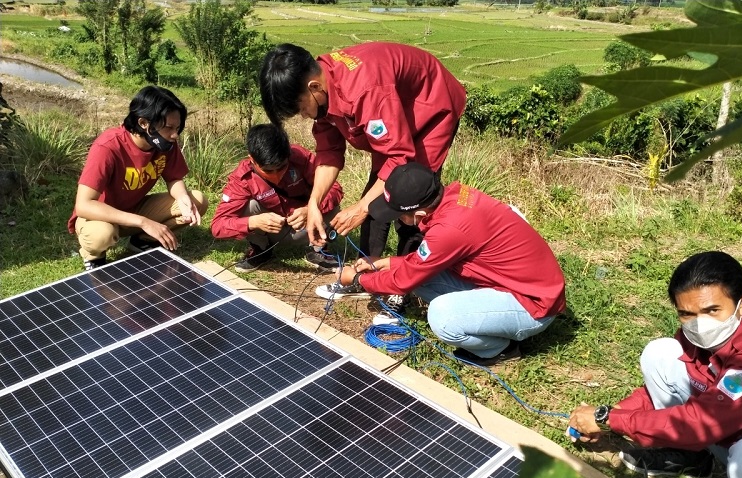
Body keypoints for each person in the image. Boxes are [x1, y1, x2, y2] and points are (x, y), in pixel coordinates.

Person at [567, 251, 742, 478]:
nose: (700, 324)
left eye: (712, 310)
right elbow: (677, 387)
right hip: (721, 427)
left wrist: (609, 420)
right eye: (687, 313)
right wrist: (612, 411)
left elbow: (701, 422)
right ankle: (690, 456)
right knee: (661, 352)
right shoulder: (702, 337)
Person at [259, 42, 466, 316]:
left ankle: (400, 287)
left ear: (313, 87)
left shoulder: (366, 90)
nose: (305, 115)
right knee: (376, 195)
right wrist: (314, 203)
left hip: (430, 108)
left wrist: (361, 207)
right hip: (394, 112)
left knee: (410, 199)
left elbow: (399, 157)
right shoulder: (325, 88)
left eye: (301, 108)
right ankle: (364, 275)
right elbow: (329, 152)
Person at [328, 162, 566, 366]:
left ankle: (499, 349)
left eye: (398, 215)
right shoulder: (455, 198)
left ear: (419, 215)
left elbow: (402, 282)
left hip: (533, 305)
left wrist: (358, 279)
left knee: (443, 317)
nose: (397, 220)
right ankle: (489, 322)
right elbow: (423, 263)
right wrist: (387, 262)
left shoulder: (450, 229)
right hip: (513, 284)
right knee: (421, 279)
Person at [68, 85, 207, 271]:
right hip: (101, 217)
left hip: (135, 209)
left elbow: (174, 178)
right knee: (102, 234)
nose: (175, 135)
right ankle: (94, 255)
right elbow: (84, 205)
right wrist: (144, 222)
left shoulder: (165, 144)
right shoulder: (108, 147)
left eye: (178, 127)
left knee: (197, 200)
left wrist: (182, 197)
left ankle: (141, 241)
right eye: (169, 128)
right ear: (143, 123)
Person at [211, 123, 343, 273]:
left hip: (306, 227)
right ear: (252, 160)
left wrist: (310, 209)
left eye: (281, 167)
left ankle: (318, 250)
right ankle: (261, 250)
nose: (276, 175)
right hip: (272, 232)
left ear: (288, 155)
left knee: (332, 205)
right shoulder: (242, 178)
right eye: (267, 170)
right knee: (249, 207)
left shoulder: (300, 157)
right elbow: (218, 226)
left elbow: (335, 189)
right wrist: (253, 222)